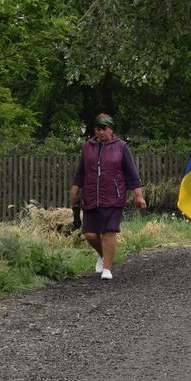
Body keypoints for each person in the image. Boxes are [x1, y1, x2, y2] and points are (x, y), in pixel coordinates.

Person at [69, 114, 147, 281]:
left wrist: (138, 195)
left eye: (104, 128)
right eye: (98, 129)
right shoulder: (87, 147)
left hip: (113, 195)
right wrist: (74, 191)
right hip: (90, 196)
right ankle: (103, 255)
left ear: (111, 129)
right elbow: (80, 172)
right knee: (90, 234)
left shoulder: (121, 147)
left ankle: (107, 269)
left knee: (109, 232)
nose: (101, 132)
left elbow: (131, 173)